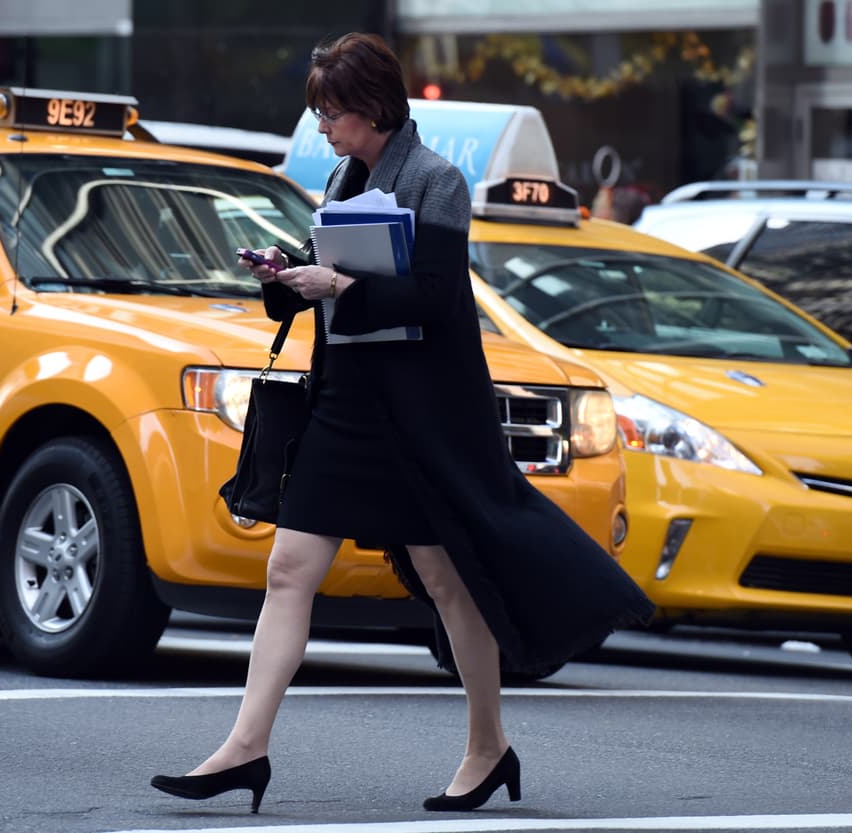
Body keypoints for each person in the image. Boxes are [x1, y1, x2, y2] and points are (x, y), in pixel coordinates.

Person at [150, 32, 654, 814]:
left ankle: (487, 746)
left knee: (451, 583)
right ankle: (245, 747)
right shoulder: (344, 180)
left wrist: (339, 283)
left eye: (332, 112)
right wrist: (285, 281)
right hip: (344, 404)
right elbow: (330, 295)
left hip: (416, 416)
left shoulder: (436, 181)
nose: (322, 128)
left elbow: (429, 294)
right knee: (288, 571)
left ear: (373, 108)